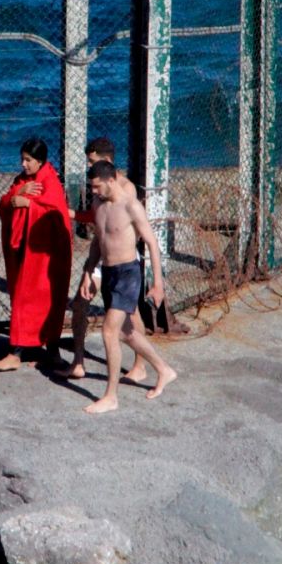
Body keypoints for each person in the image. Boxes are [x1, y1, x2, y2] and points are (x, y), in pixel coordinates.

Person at [79, 160, 176, 413]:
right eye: (92, 188)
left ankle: (111, 396)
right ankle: (164, 370)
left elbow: (152, 244)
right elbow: (97, 244)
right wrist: (88, 272)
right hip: (109, 273)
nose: (94, 191)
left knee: (109, 332)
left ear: (111, 180)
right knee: (126, 333)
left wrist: (157, 284)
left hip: (128, 274)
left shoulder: (131, 205)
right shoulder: (98, 206)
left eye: (97, 186)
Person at [65, 137, 146, 382]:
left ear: (106, 160)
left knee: (131, 316)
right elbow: (98, 220)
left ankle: (140, 365)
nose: (88, 166)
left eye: (92, 160)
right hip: (99, 254)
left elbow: (128, 228)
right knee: (80, 304)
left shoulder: (125, 188)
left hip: (121, 260)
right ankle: (78, 361)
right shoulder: (98, 186)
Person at [0, 138, 73, 371]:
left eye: (28, 160)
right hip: (23, 251)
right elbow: (6, 203)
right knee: (22, 299)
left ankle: (49, 349)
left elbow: (56, 216)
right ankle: (17, 351)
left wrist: (27, 204)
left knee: (48, 302)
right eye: (22, 159)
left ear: (40, 161)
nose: (23, 164)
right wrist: (18, 194)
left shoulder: (50, 181)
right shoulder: (22, 181)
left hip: (45, 255)